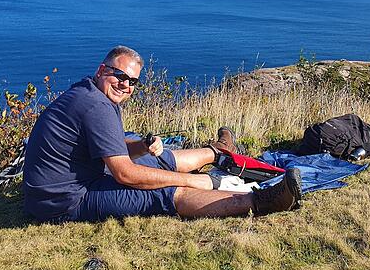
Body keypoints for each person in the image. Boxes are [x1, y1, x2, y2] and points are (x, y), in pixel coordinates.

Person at [22, 45, 301, 223]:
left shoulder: (90, 92)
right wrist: (199, 182)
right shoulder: (96, 105)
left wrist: (142, 148)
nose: (125, 85)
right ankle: (263, 201)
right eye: (119, 75)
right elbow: (125, 175)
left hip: (73, 180)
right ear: (101, 70)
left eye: (132, 81)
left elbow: (115, 149)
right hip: (65, 199)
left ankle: (217, 151)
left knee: (156, 159)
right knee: (163, 192)